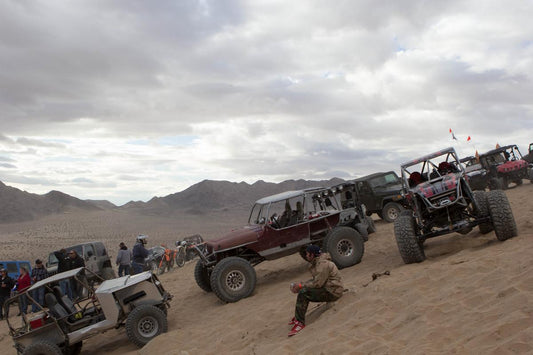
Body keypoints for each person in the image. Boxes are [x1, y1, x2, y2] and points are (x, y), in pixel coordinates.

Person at [288, 245, 344, 337]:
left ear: (312, 255)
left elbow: (317, 284)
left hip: (333, 292)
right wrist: (301, 285)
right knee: (304, 289)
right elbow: (316, 280)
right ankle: (298, 317)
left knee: (303, 293)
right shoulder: (318, 262)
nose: (306, 256)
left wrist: (301, 286)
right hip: (329, 288)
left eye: (307, 254)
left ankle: (300, 323)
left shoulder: (322, 264)